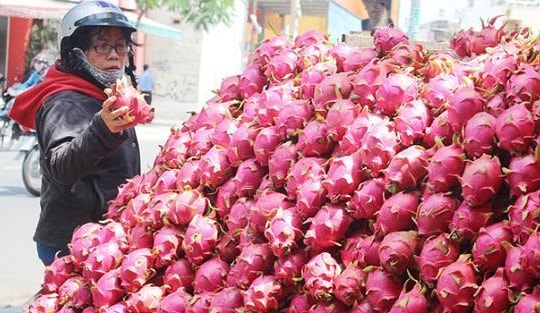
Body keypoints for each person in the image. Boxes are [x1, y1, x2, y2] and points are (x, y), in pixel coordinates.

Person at [9, 0, 148, 266]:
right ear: (74, 52)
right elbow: (60, 167)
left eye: (120, 46)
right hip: (73, 241)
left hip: (103, 236)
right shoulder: (64, 102)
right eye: (102, 46)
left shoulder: (105, 96)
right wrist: (102, 130)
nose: (114, 55)